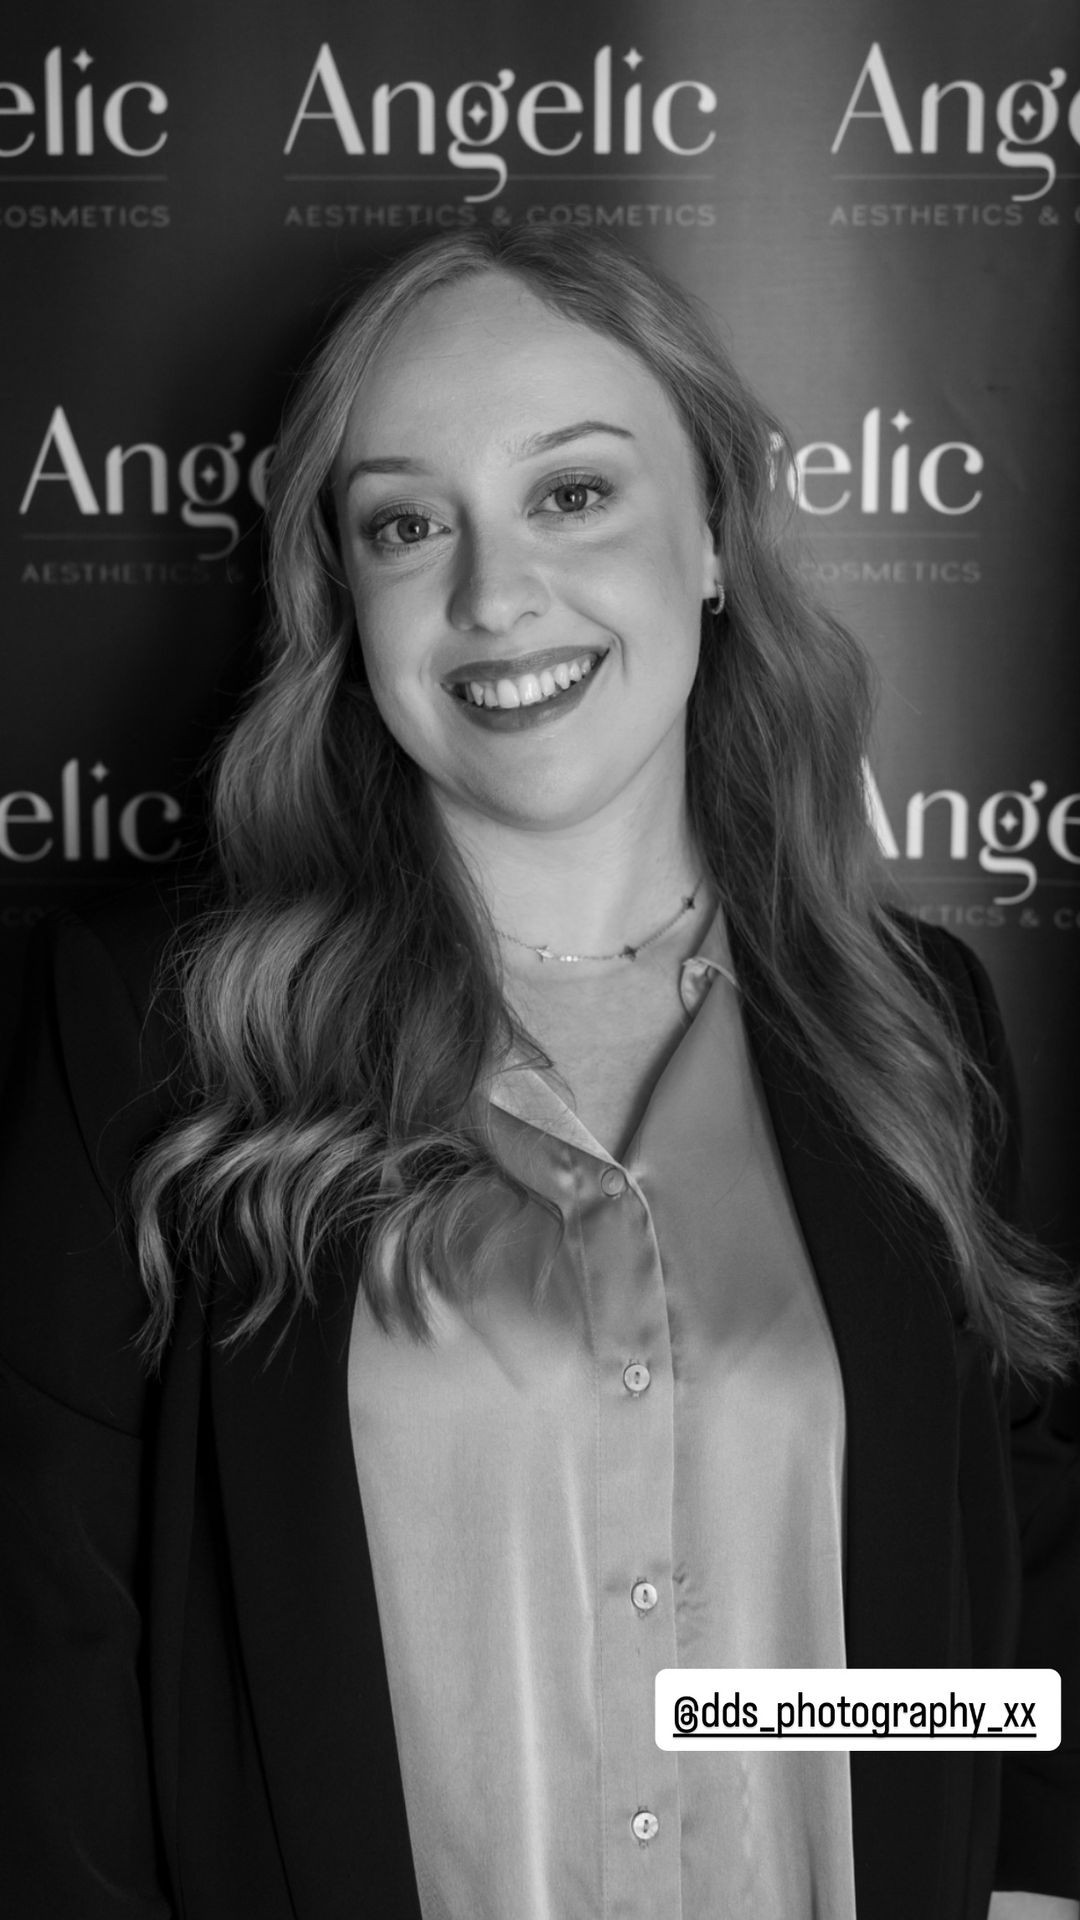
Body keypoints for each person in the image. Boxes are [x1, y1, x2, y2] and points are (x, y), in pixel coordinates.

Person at [0, 224, 1077, 1920]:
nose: (493, 596)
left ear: (711, 536)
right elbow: (51, 1660)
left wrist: (1016, 1878)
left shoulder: (914, 1021)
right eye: (406, 523)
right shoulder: (152, 1034)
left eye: (573, 494)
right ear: (343, 597)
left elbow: (997, 1556)